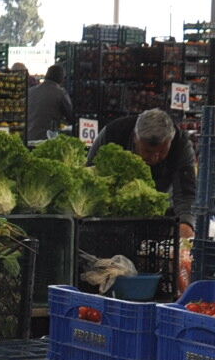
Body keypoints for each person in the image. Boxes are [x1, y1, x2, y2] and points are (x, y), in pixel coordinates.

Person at [91, 108, 197, 238]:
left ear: (171, 139)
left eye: (162, 151)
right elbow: (90, 176)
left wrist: (186, 223)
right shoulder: (113, 133)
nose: (154, 158)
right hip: (112, 218)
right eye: (148, 151)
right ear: (136, 138)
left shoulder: (181, 144)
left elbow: (186, 193)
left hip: (160, 216)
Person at [26, 65, 73, 142]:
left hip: (28, 137)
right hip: (46, 140)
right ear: (61, 78)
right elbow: (70, 115)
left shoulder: (30, 91)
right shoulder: (60, 93)